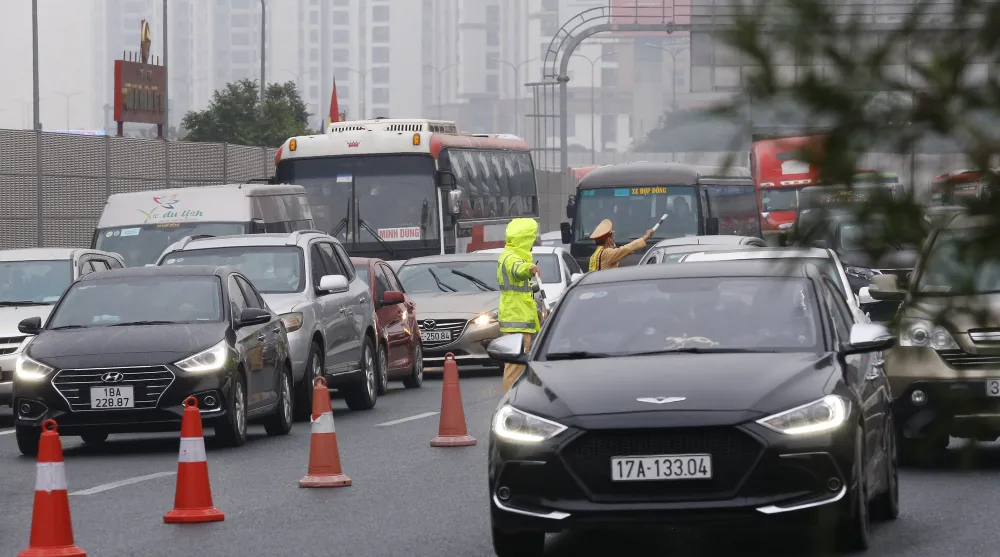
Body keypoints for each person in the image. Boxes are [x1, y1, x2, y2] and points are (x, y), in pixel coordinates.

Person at [497, 218, 541, 393]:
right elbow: (517, 269)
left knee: (522, 366)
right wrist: (530, 269)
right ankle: (511, 402)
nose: (532, 243)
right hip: (517, 318)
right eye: (530, 238)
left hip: (518, 316)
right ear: (524, 239)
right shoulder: (512, 258)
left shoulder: (509, 255)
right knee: (515, 367)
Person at [588, 219, 654, 271]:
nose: (614, 238)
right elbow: (626, 248)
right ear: (608, 239)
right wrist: (645, 237)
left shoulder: (594, 255)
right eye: (612, 236)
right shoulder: (607, 253)